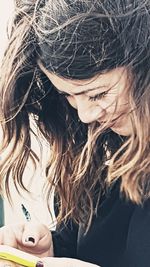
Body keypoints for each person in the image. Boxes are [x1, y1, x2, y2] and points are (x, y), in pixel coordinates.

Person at [0, 0, 150, 266]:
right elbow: (100, 246)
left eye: (98, 94)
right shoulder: (101, 149)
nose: (85, 115)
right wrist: (53, 250)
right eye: (68, 95)